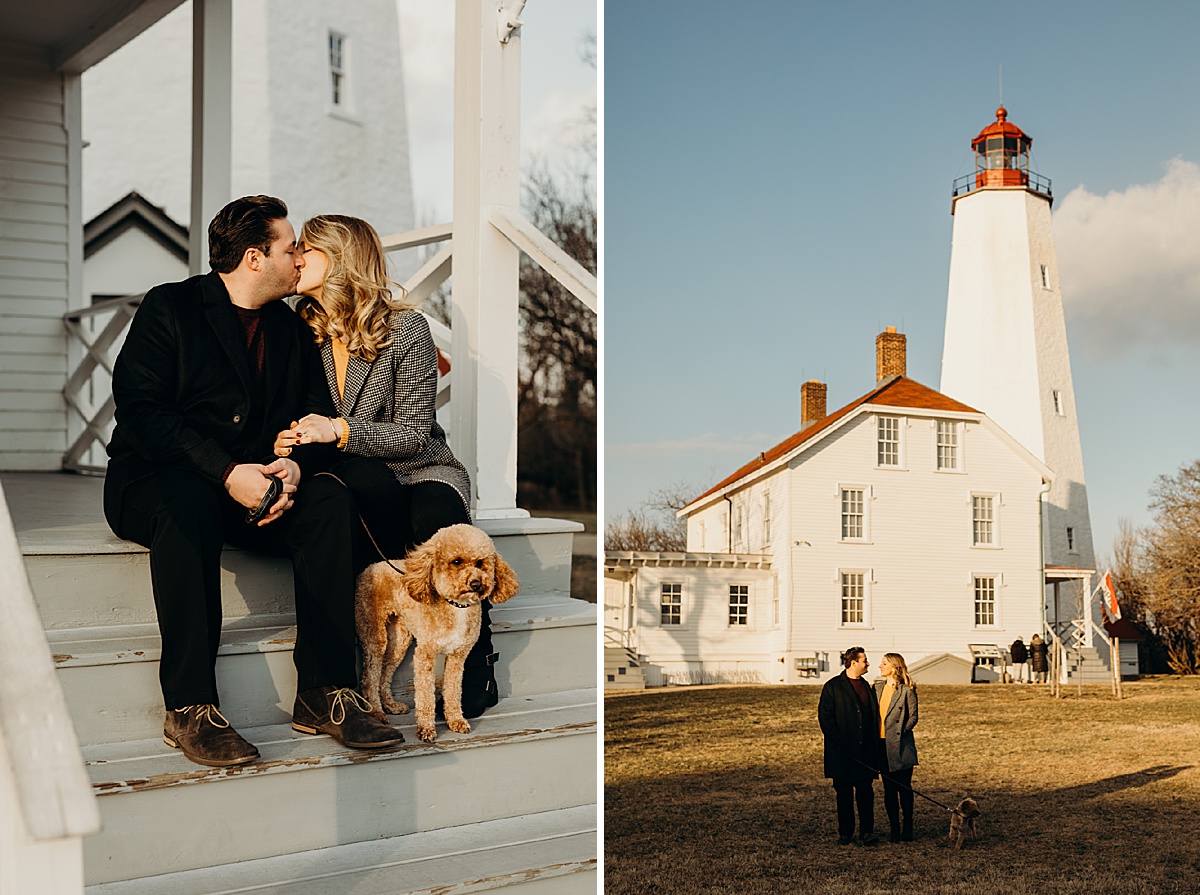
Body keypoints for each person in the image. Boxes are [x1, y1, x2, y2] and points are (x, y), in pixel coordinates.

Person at [104, 196, 404, 768]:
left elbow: (308, 418)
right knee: (188, 501)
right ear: (253, 257)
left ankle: (325, 693)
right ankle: (190, 707)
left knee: (329, 499)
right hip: (158, 481)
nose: (299, 259)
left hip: (258, 490)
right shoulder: (171, 307)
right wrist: (225, 472)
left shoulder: (291, 331)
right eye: (290, 248)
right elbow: (143, 412)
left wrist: (293, 467)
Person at [273, 215, 496, 718]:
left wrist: (340, 429)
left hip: (421, 467)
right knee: (352, 495)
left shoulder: (406, 327)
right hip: (354, 475)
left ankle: (475, 656)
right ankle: (367, 667)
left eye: (307, 247)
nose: (296, 257)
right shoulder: (296, 327)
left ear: (341, 258)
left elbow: (414, 433)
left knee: (436, 524)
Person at [818, 646, 881, 845]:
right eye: (865, 660)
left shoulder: (867, 686)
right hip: (842, 753)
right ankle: (845, 833)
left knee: (865, 794)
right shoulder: (833, 687)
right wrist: (840, 743)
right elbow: (826, 719)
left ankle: (867, 832)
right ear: (853, 662)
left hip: (865, 754)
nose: (868, 663)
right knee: (843, 795)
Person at [873, 653, 919, 842]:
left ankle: (908, 827)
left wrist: (900, 732)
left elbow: (913, 717)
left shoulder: (907, 690)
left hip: (901, 746)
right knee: (889, 790)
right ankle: (894, 829)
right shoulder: (876, 688)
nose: (879, 666)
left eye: (884, 663)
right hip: (881, 746)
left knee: (904, 789)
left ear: (894, 667)